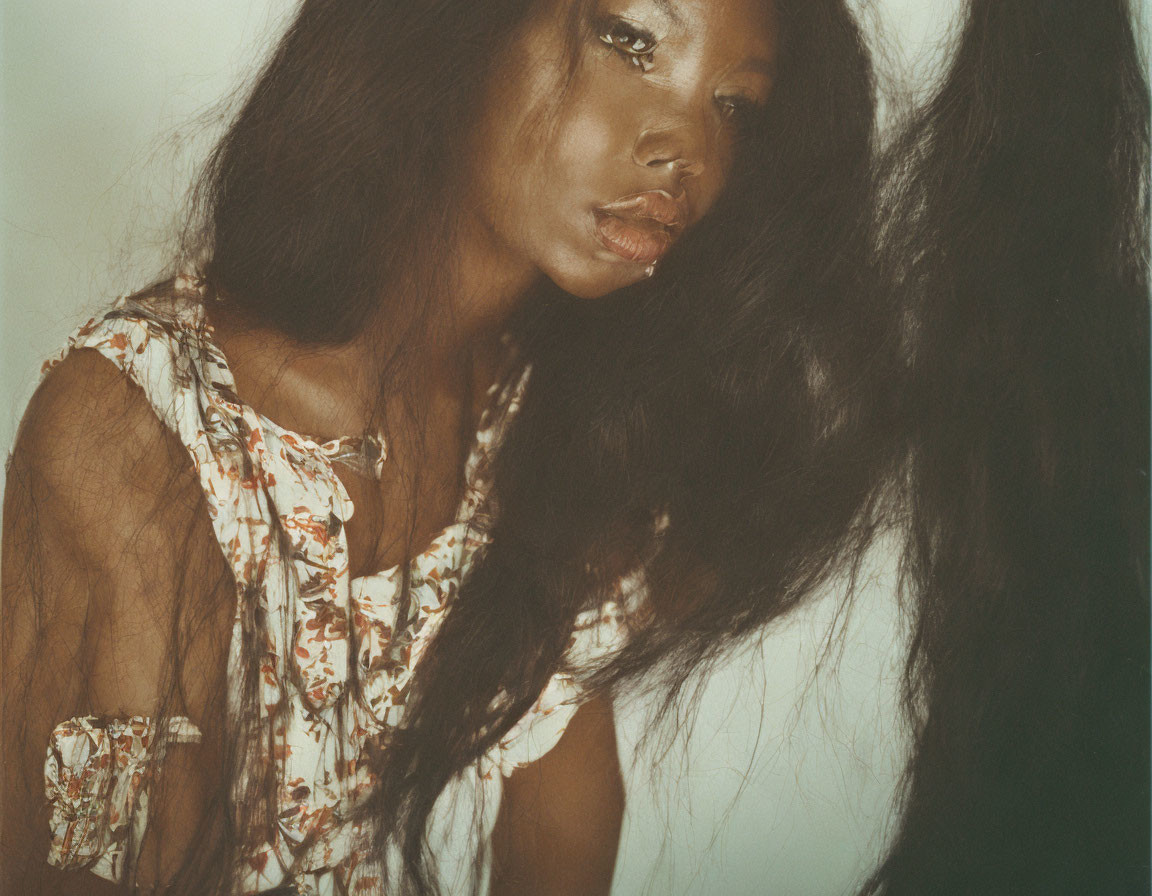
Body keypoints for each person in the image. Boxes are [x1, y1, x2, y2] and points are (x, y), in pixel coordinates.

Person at [1, 1, 1146, 895]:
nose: (683, 144)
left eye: (735, 106)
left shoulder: (547, 423)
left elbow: (564, 822)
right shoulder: (136, 426)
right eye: (632, 42)